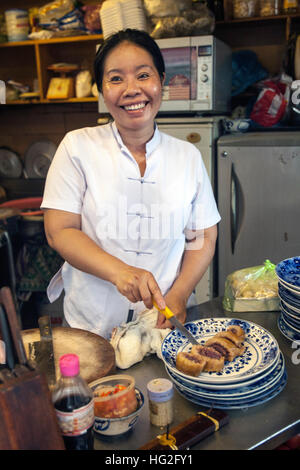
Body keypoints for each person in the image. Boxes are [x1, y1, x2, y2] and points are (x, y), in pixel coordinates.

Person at [41, 28, 221, 339]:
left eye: (143, 75)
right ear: (101, 89)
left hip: (164, 323)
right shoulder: (77, 147)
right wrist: (120, 272)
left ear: (161, 81)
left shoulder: (187, 156)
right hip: (93, 326)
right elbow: (60, 231)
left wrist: (180, 294)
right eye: (115, 78)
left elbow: (203, 236)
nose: (132, 89)